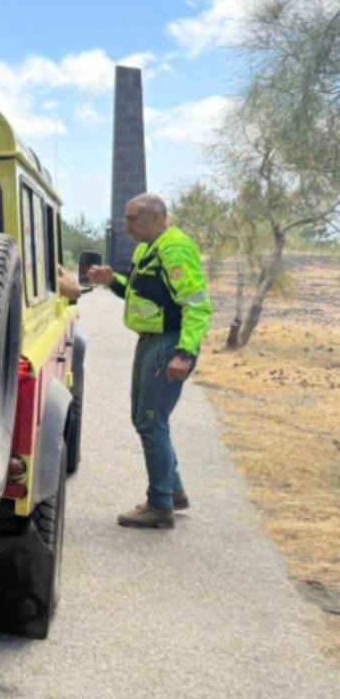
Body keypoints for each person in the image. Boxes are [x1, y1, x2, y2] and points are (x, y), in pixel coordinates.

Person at [88, 192, 212, 529]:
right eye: (125, 219)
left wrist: (184, 354)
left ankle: (160, 507)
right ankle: (173, 491)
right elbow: (138, 293)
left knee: (150, 421)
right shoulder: (148, 248)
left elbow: (197, 305)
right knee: (145, 418)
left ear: (157, 217)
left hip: (168, 343)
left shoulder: (175, 249)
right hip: (151, 340)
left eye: (133, 220)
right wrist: (112, 280)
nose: (125, 226)